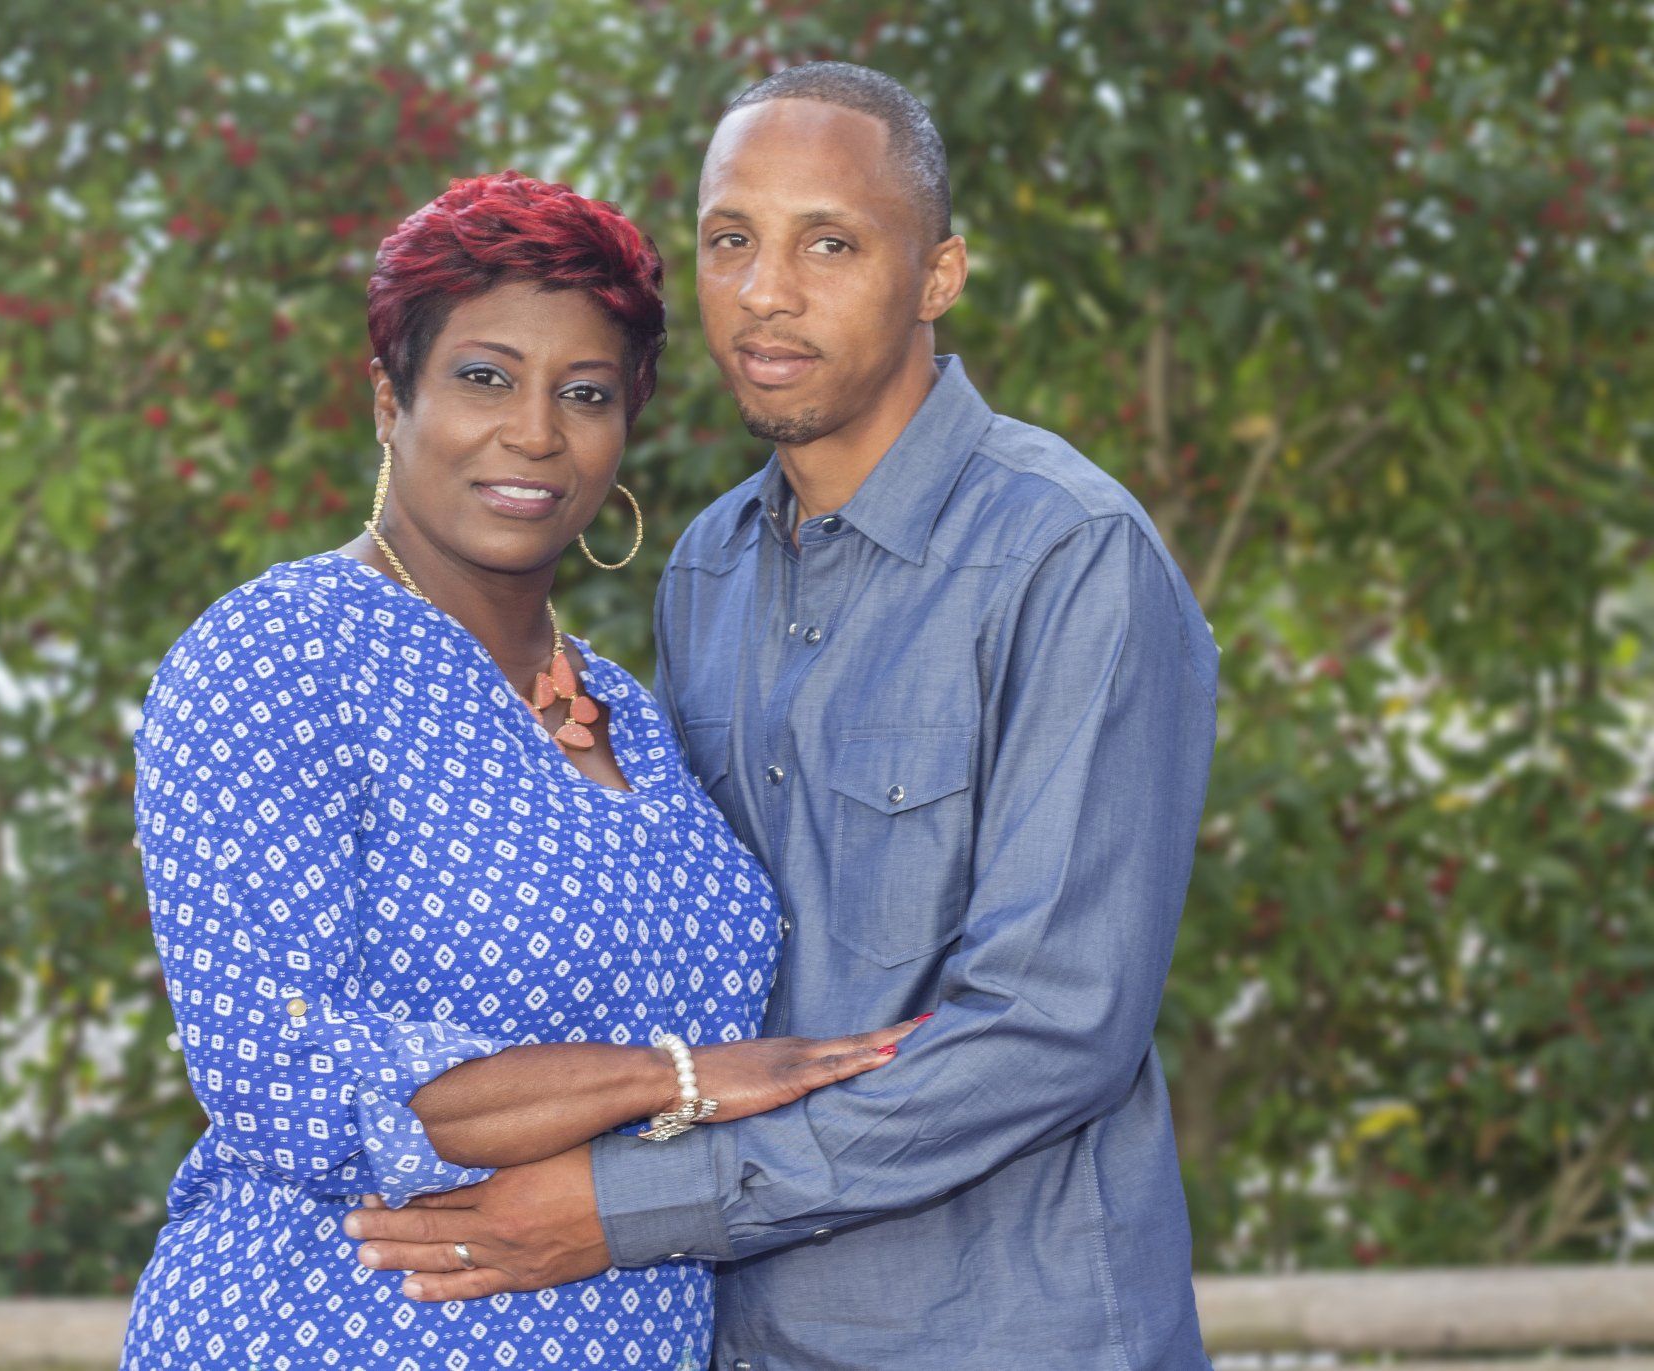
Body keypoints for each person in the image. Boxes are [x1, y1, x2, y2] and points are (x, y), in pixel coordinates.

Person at [344, 64, 1221, 1370]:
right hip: (739, 1333)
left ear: (939, 273)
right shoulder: (709, 569)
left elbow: (1054, 1029)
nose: (766, 290)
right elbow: (679, 944)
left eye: (830, 242)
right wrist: (567, 751)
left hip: (1002, 1331)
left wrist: (625, 1205)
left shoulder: (1068, 552)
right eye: (731, 240)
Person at [118, 169, 921, 1371]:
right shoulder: (276, 659)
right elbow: (283, 1079)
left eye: (585, 394)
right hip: (338, 1333)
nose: (536, 433)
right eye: (485, 378)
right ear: (390, 399)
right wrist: (677, 1079)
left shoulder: (634, 716)